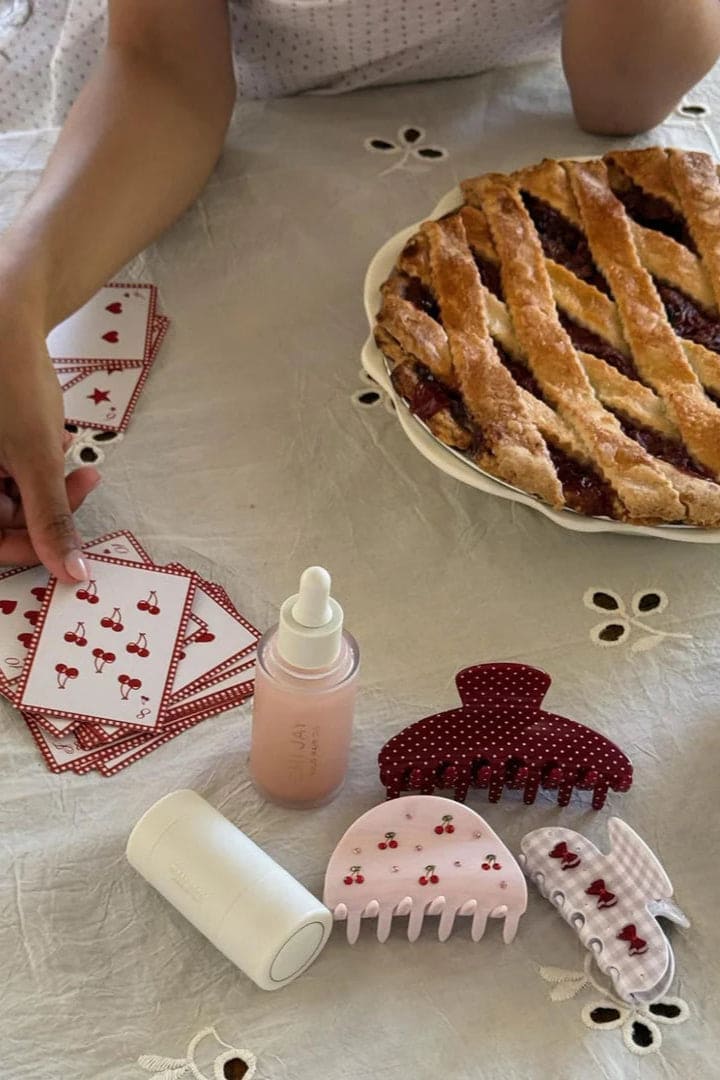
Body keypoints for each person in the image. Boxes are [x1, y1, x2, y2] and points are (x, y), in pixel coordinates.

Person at [0, 0, 718, 580]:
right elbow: (164, 67)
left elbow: (625, 91)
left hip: (520, 118)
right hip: (225, 139)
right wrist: (17, 302)